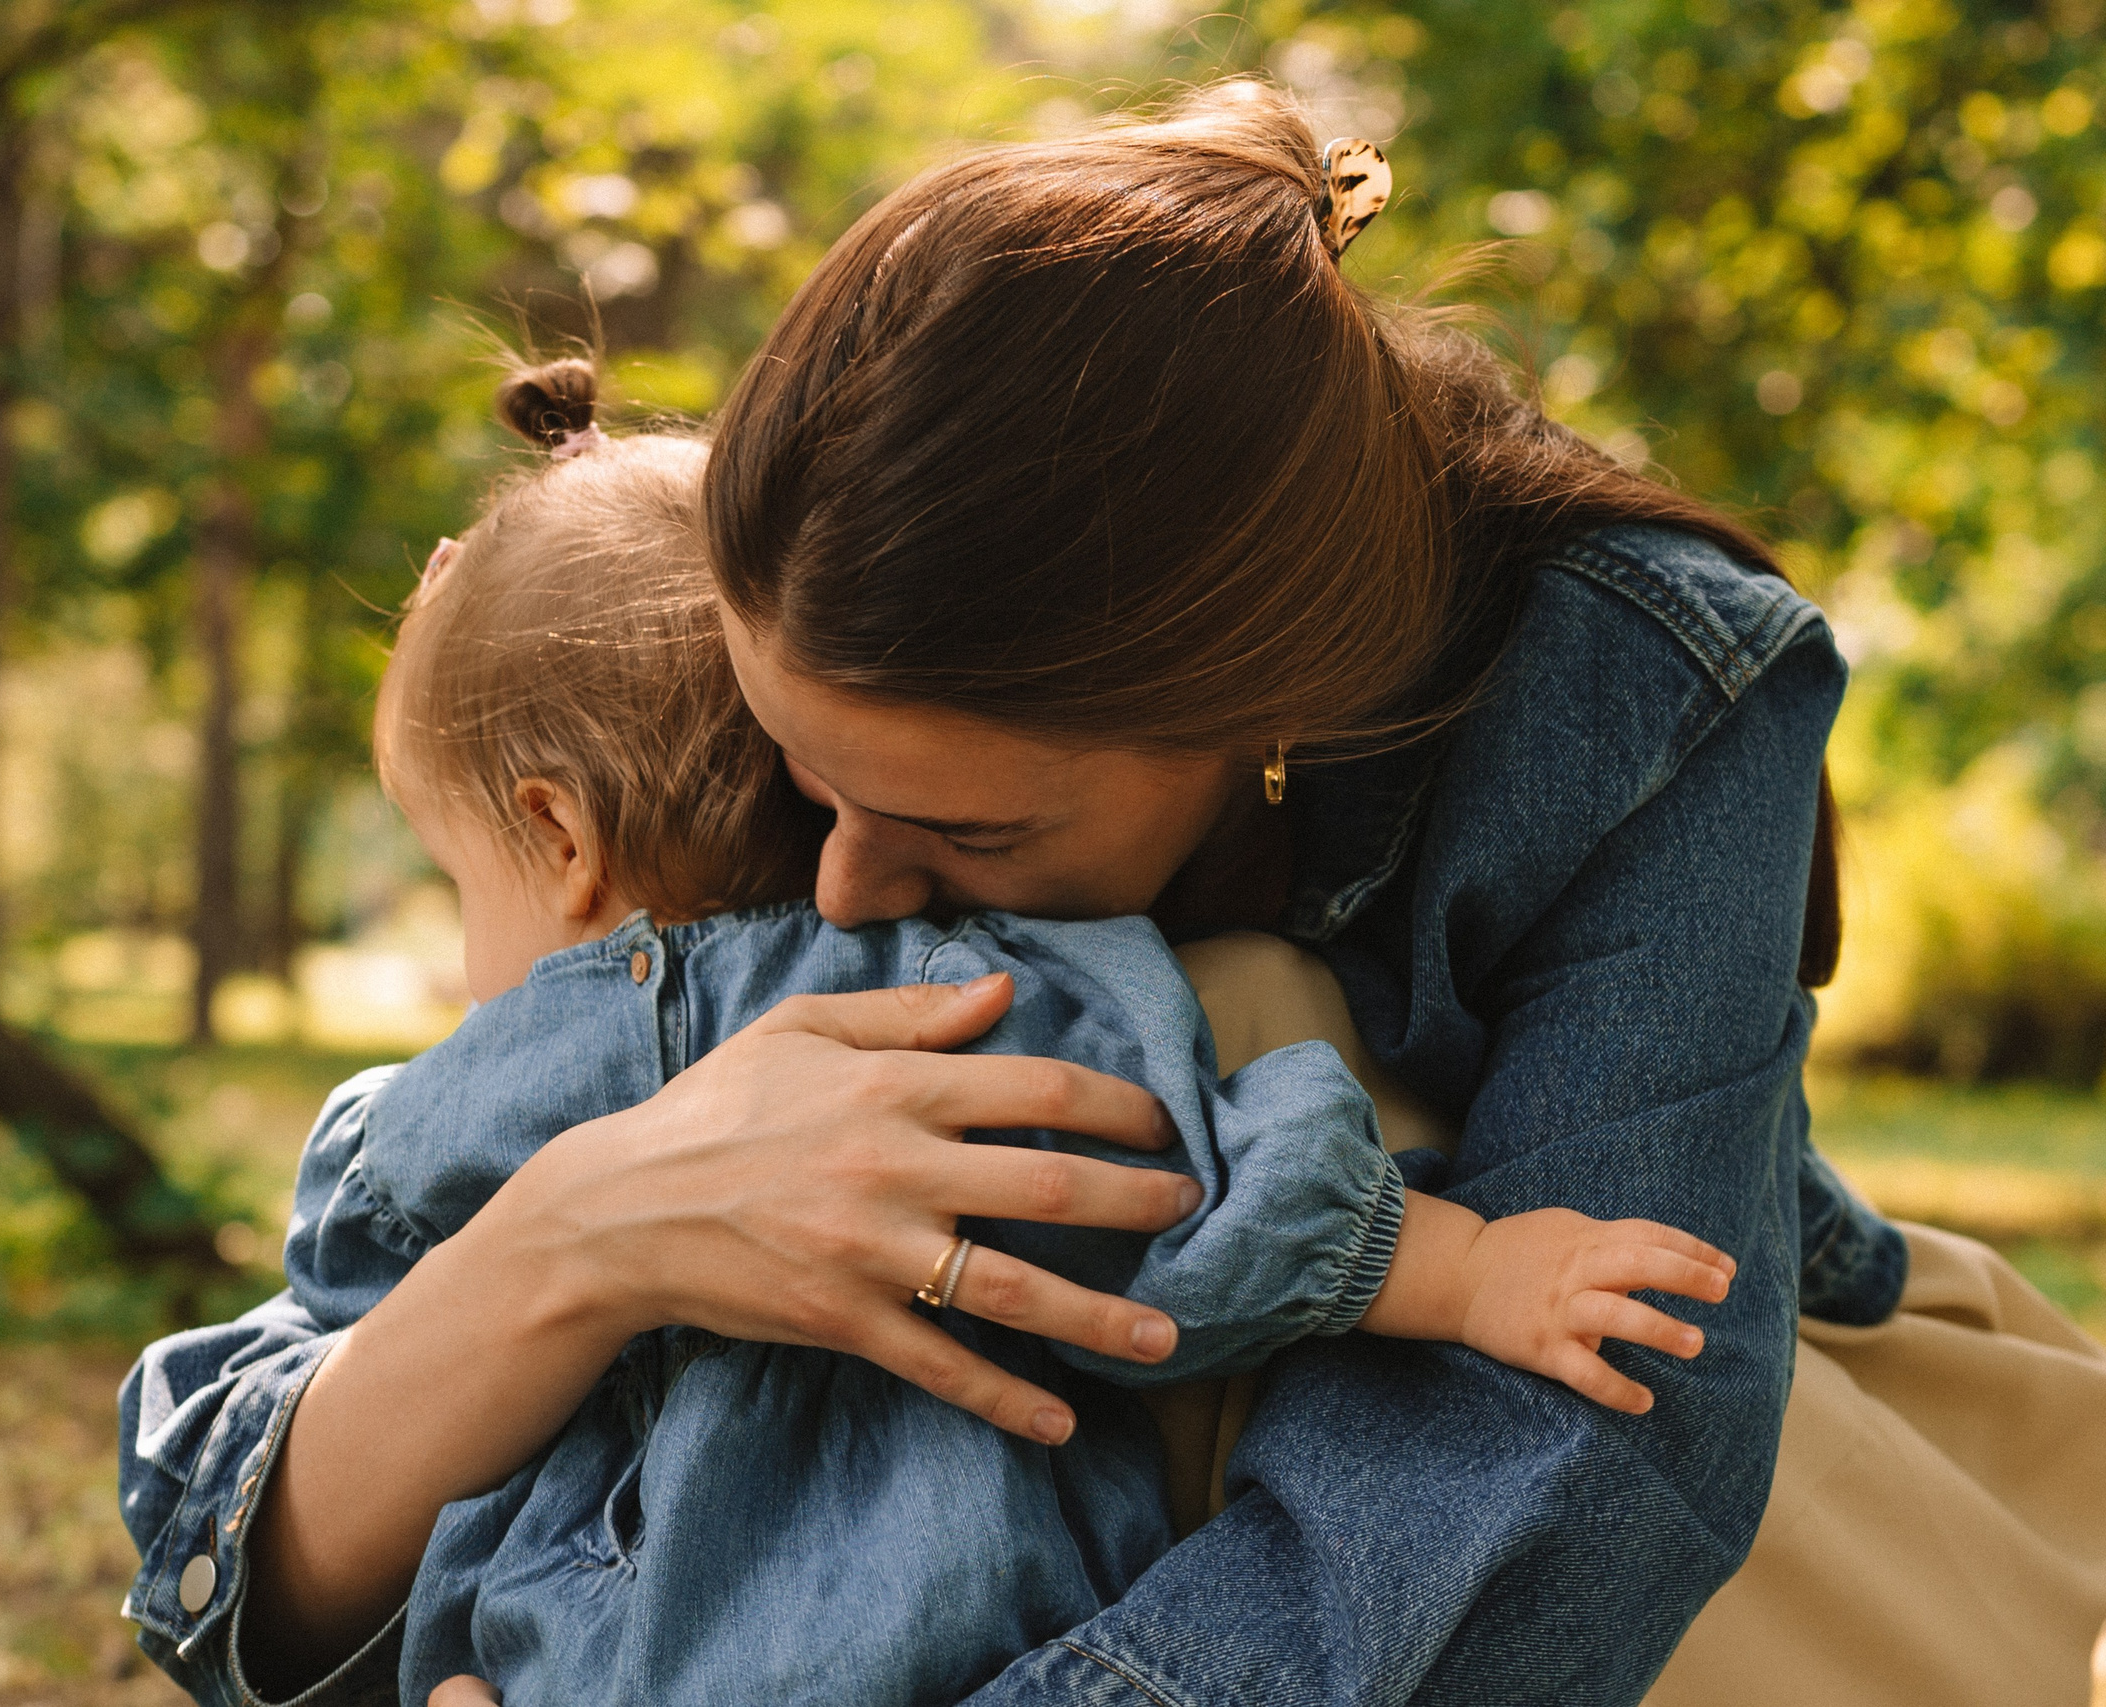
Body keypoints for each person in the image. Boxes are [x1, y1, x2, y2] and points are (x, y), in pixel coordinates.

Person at [119, 79, 2103, 1707]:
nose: (841, 884)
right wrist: (585, 1229)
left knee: (1246, 1019)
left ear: (1266, 720)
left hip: (1714, 1564)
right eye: (796, 780)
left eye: (963, 840)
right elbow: (276, 1514)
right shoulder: (878, 524)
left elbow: (1597, 1445)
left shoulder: (1631, 694)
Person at [139, 372, 1736, 1707]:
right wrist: (1463, 1271)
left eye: (450, 872)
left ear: (561, 844)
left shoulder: (468, 1090)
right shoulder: (992, 1003)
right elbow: (1189, 1201)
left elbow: (265, 1424)